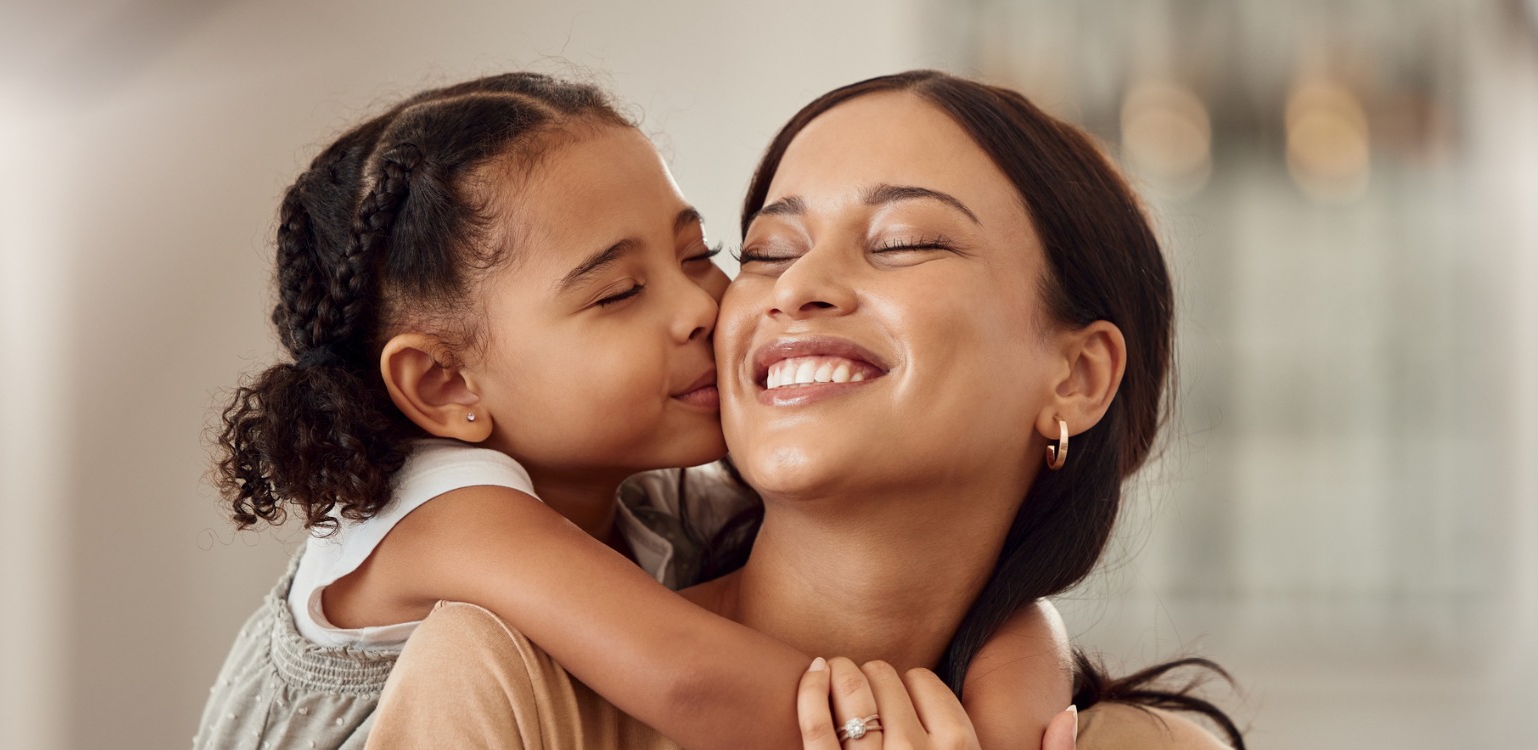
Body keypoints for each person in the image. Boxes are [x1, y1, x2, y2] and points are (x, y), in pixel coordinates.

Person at [367, 70, 1245, 749]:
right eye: (766, 249)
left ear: (1078, 377)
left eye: (903, 242)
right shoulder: (507, 676)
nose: (797, 287)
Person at [197, 72, 1070, 750]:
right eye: (618, 293)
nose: (701, 308)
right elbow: (691, 682)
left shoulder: (656, 509)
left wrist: (1010, 701)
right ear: (446, 386)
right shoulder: (442, 517)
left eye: (703, 254)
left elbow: (984, 602)